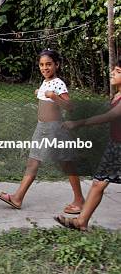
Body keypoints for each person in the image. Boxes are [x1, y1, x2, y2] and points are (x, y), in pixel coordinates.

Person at [0, 49, 84, 213]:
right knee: (33, 161)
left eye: (49, 64)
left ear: (56, 65)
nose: (45, 68)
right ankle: (17, 198)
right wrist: (40, 92)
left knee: (66, 164)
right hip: (41, 128)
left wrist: (54, 97)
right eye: (42, 65)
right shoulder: (45, 82)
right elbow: (45, 98)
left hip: (55, 130)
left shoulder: (58, 83)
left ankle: (80, 201)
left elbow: (70, 107)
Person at [55, 60, 121, 231]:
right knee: (99, 183)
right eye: (113, 69)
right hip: (115, 147)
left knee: (99, 182)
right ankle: (81, 222)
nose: (113, 73)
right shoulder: (117, 95)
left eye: (118, 71)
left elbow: (110, 116)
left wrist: (79, 123)